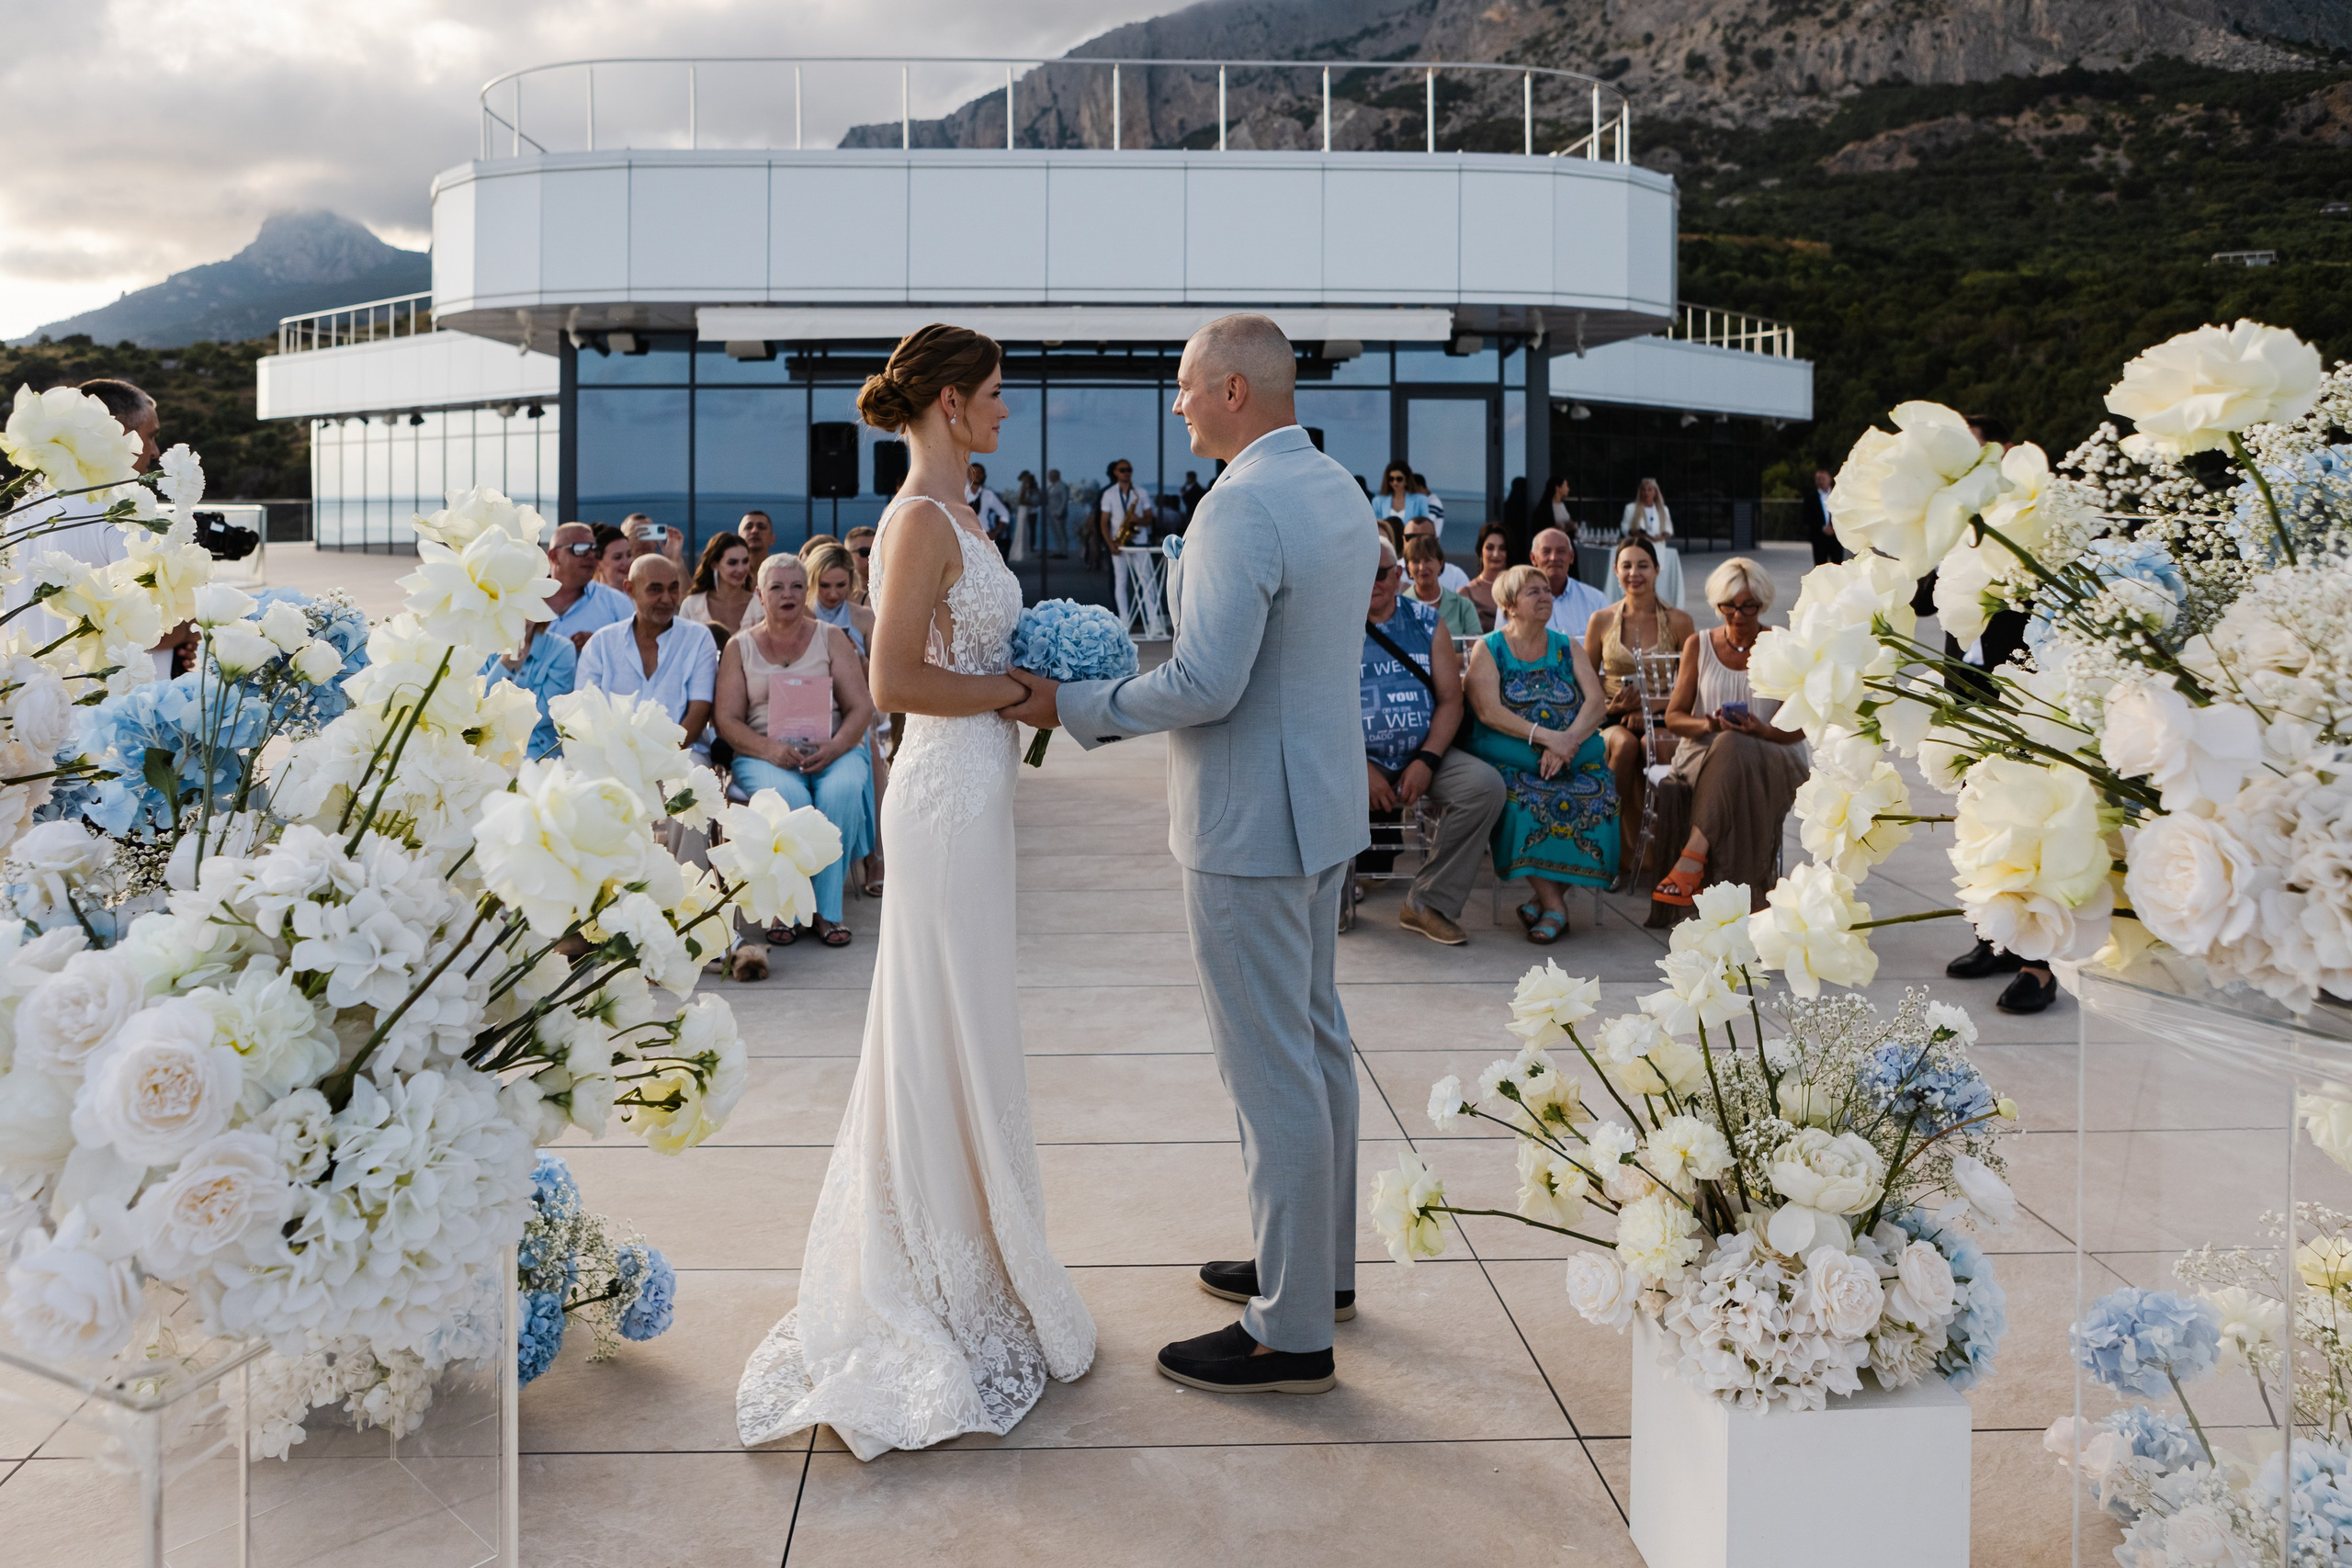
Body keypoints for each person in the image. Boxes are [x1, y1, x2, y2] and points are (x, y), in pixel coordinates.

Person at [737, 322, 1094, 1460]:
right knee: (938, 1028)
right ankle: (934, 1278)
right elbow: (891, 681)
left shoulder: (968, 515)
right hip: (941, 798)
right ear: (947, 405)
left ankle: (983, 1256)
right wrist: (1015, 693)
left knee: (970, 1028)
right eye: (992, 395)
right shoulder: (914, 522)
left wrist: (1028, 689)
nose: (1004, 412)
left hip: (978, 795)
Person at [1003, 312, 1374, 1399]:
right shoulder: (1337, 489)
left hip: (1250, 823)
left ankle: (1291, 1329)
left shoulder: (1238, 505)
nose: (1172, 406)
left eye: (1182, 386)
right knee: (1314, 1046)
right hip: (1321, 808)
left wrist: (1071, 703)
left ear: (1230, 393)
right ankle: (1320, 1268)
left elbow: (1205, 685)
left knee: (1271, 1073)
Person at [715, 554, 875, 950]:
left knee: (841, 791)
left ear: (807, 592)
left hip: (833, 748)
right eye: (777, 587)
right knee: (789, 798)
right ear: (760, 595)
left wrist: (837, 746)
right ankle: (784, 908)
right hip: (763, 753)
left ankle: (825, 910)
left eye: (797, 586)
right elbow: (727, 720)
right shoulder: (740, 647)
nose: (788, 594)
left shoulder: (831, 638)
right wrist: (769, 749)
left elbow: (861, 707)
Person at [1359, 537, 1506, 945]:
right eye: (1363, 571)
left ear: (1397, 575)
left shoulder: (1426, 620)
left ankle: (1427, 903)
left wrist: (1426, 759)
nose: (1373, 582)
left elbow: (1449, 699)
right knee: (1312, 785)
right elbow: (1318, 713)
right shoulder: (1331, 623)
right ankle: (1330, 902)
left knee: (1484, 787)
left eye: (1381, 573)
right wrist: (1360, 768)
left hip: (1421, 753)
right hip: (1354, 759)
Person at [1647, 557, 1808, 926]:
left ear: (1762, 603)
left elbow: (1800, 727)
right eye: (1729, 606)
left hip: (1774, 752)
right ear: (1717, 605)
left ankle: (1692, 860)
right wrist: (1709, 722)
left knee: (1737, 746)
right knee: (1730, 746)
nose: (1738, 615)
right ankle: (1740, 900)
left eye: (1748, 606)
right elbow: (1673, 717)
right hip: (1703, 752)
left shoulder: (1780, 645)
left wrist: (1759, 731)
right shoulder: (1698, 644)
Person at [1463, 565, 1618, 943]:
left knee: (1601, 797)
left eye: (1546, 590)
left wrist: (1567, 743)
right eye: (1533, 592)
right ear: (1509, 605)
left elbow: (1596, 702)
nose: (1545, 596)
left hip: (1571, 750)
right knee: (1522, 800)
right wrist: (1546, 737)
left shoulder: (1567, 646)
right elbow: (1487, 711)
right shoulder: (1490, 648)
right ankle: (1555, 906)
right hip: (1514, 752)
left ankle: (1544, 903)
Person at [1585, 537, 1696, 888]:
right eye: (1627, 566)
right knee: (1625, 745)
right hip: (1612, 716)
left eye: (1643, 565)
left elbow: (1691, 684)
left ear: (1657, 569)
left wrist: (1652, 707)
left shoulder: (1679, 622)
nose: (1635, 573)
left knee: (1654, 743)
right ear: (1617, 572)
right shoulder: (1601, 620)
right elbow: (1586, 682)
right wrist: (1612, 707)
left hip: (1664, 716)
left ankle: (1671, 856)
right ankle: (1607, 852)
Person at [575, 553, 718, 757]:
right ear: (630, 589)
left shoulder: (698, 638)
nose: (667, 599)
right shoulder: (601, 643)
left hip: (681, 755)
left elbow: (699, 711)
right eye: (655, 589)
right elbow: (586, 712)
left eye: (673, 588)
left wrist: (659, 760)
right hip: (611, 755)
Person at [481, 616, 576, 762]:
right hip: (491, 750)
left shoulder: (562, 649)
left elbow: (545, 714)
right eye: (518, 612)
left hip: (540, 752)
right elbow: (480, 707)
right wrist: (504, 665)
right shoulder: (484, 646)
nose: (523, 619)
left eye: (528, 611)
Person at [542, 522, 635, 652]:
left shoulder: (617, 604)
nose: (591, 555)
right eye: (581, 549)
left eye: (594, 549)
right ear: (554, 556)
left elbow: (637, 654)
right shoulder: (525, 602)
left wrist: (599, 645)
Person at [1099, 458, 1159, 630]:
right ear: (1116, 473)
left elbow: (1150, 518)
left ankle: (1153, 621)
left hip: (1139, 541)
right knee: (1121, 581)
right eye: (1123, 470)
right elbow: (1104, 523)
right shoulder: (1109, 494)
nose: (1126, 473)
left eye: (1129, 470)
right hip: (1119, 544)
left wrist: (1138, 519)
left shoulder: (1140, 492)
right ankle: (1124, 621)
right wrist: (1110, 544)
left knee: (1147, 580)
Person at [1611, 478, 1684, 608]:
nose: (1646, 493)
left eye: (1650, 490)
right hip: (1638, 549)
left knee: (1655, 581)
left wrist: (1662, 535)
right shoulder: (1631, 508)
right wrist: (1637, 533)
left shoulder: (1663, 510)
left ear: (1655, 492)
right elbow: (1625, 527)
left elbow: (1668, 529)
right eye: (1644, 490)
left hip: (1657, 549)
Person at [1531, 527, 1610, 641]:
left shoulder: (1596, 600)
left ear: (1571, 557)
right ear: (1533, 558)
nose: (1553, 558)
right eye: (1546, 551)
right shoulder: (1517, 602)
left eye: (1561, 551)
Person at [1401, 536, 1481, 638]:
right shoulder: (1399, 608)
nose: (1422, 567)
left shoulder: (1463, 607)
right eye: (1416, 561)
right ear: (1408, 567)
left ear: (1441, 562)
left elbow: (1474, 651)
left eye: (1427, 560)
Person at [683, 531, 760, 637]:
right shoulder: (692, 605)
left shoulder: (761, 606)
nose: (741, 569)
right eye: (732, 563)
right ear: (715, 565)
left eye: (745, 561)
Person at [1400, 516, 1469, 592]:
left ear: (1436, 541)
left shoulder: (1455, 576)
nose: (1418, 542)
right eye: (1411, 537)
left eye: (1425, 538)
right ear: (1403, 540)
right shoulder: (1391, 571)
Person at [1464, 520, 1510, 632]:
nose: (1496, 554)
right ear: (1480, 551)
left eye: (1502, 548)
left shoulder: (1520, 588)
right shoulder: (1466, 594)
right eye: (1490, 548)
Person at [1804, 465, 1845, 566]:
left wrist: (1834, 528)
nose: (1821, 481)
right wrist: (1822, 528)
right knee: (1820, 565)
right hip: (1819, 537)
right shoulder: (1810, 497)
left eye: (1823, 478)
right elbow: (1806, 517)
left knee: (1838, 565)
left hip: (1836, 537)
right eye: (1818, 479)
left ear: (1829, 478)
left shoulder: (1839, 495)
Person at [966, 461, 1012, 553]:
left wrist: (995, 532)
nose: (977, 475)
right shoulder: (958, 493)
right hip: (964, 538)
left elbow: (1005, 515)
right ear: (967, 474)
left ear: (984, 475)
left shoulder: (988, 495)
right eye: (974, 472)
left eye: (980, 472)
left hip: (984, 539)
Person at [1373, 461, 1428, 531]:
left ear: (1406, 480)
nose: (1395, 482)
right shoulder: (1378, 501)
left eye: (1399, 479)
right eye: (1391, 479)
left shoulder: (1420, 500)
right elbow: (1377, 527)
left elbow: (1425, 525)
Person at [593, 525, 635, 591]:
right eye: (618, 557)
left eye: (629, 555)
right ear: (597, 563)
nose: (626, 562)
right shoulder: (589, 598)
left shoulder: (641, 597)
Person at [740, 510, 776, 581]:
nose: (754, 531)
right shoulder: (728, 576)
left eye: (761, 527)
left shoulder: (781, 574)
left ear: (772, 539)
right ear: (738, 538)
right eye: (748, 527)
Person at [842, 525, 876, 601]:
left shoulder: (890, 590)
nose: (872, 557)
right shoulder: (839, 595)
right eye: (865, 552)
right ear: (848, 555)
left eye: (876, 552)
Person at [1043, 468, 1071, 558]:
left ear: (1056, 476)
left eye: (1050, 475)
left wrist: (1060, 512)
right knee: (1055, 533)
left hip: (1058, 514)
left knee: (1061, 533)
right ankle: (1059, 551)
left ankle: (1064, 552)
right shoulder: (1051, 486)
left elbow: (1064, 500)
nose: (1048, 477)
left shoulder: (1062, 486)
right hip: (1051, 513)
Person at [1410, 471, 1445, 538]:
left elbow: (1424, 523)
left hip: (1428, 546)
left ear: (1419, 487)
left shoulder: (1433, 502)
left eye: (1412, 490)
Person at [1013, 469, 1039, 558]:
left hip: (1026, 510)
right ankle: (1021, 549)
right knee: (1023, 529)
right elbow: (1020, 500)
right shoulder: (1024, 487)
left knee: (1025, 529)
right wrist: (1031, 503)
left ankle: (1025, 548)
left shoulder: (1028, 487)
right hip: (1024, 509)